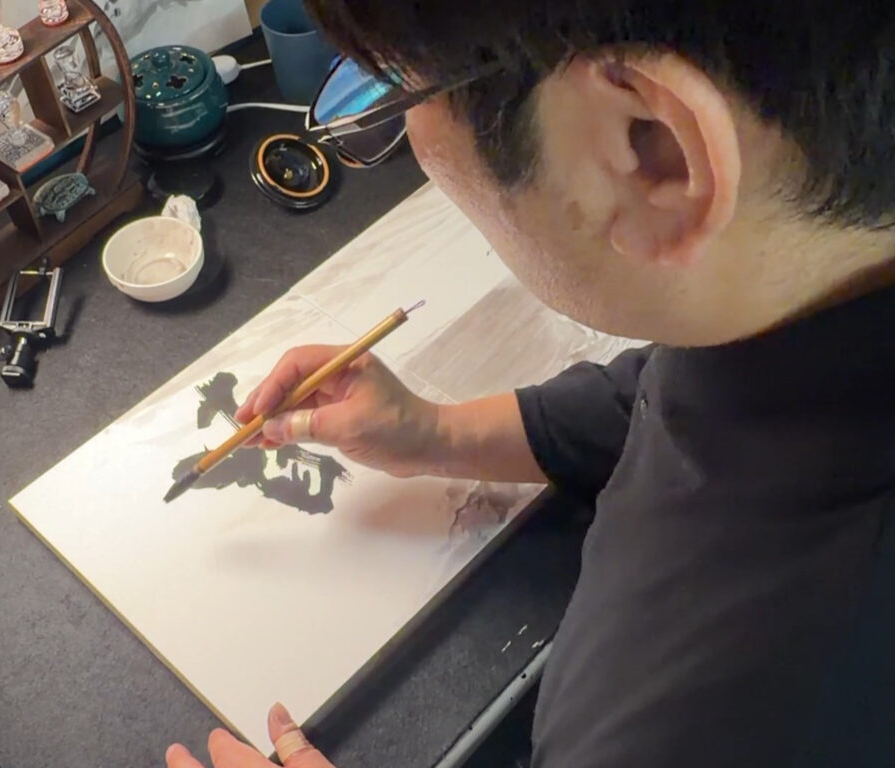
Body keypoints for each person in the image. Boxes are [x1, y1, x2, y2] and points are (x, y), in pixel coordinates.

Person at [166, 2, 895, 766]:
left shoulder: (687, 724)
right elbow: (662, 399)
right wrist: (437, 434)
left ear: (651, 150)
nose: (411, 138)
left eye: (404, 87)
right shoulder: (801, 302)